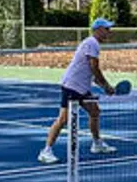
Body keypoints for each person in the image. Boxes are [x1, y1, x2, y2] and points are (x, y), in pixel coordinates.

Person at [37, 18, 118, 164]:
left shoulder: (92, 44)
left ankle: (97, 144)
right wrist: (106, 86)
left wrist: (104, 86)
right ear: (98, 29)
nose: (109, 32)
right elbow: (94, 67)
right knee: (63, 120)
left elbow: (92, 75)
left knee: (95, 112)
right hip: (72, 86)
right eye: (107, 29)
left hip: (82, 88)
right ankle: (46, 151)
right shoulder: (92, 43)